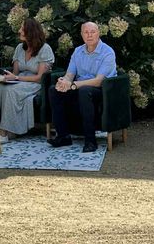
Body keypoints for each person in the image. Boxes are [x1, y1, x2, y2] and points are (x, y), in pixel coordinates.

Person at [48, 21, 116, 153]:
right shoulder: (78, 51)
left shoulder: (107, 52)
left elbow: (98, 81)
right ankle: (63, 136)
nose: (89, 35)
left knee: (85, 91)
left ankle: (90, 141)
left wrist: (73, 85)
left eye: (93, 32)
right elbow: (70, 74)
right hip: (79, 87)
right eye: (86, 32)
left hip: (102, 90)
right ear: (81, 35)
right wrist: (64, 82)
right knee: (54, 90)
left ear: (98, 33)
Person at [0, 17, 54, 145]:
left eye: (22, 29)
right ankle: (0, 127)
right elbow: (15, 72)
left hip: (36, 84)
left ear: (31, 31)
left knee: (12, 90)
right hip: (20, 80)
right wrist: (6, 78)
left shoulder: (45, 49)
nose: (19, 31)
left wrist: (16, 78)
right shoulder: (19, 48)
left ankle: (3, 133)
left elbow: (40, 77)